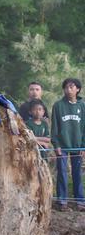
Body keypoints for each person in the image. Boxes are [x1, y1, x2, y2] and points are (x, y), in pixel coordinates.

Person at [50, 78, 85, 212]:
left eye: (71, 87)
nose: (68, 89)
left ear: (78, 89)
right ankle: (62, 201)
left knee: (77, 173)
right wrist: (56, 144)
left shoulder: (82, 105)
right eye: (66, 87)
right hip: (62, 146)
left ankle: (80, 201)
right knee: (62, 173)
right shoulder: (58, 105)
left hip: (78, 146)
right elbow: (54, 126)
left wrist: (83, 146)